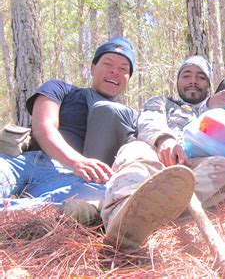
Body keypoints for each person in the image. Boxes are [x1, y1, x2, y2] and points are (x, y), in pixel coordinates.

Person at [98, 55, 225, 251]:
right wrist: (164, 140)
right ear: (177, 82)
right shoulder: (161, 102)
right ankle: (122, 214)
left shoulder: (215, 109)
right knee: (134, 150)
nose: (193, 80)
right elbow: (149, 121)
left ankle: (146, 217)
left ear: (209, 85)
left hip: (194, 165)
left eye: (201, 77)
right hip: (155, 155)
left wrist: (209, 106)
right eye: (187, 75)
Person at [0, 37, 138, 210]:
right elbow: (43, 127)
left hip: (70, 180)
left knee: (106, 195)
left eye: (123, 69)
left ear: (128, 78)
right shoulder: (59, 88)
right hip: (25, 162)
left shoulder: (130, 117)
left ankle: (17, 211)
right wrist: (77, 161)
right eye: (108, 64)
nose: (114, 72)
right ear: (93, 68)